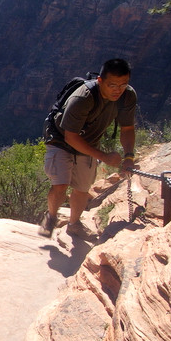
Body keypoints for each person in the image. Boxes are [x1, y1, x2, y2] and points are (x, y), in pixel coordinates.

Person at [38, 58, 137, 241]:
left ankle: (74, 224)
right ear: (100, 81)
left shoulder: (128, 96)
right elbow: (71, 137)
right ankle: (51, 217)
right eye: (112, 85)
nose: (118, 90)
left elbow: (127, 129)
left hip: (90, 143)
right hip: (61, 139)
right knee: (60, 184)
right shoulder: (83, 97)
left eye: (123, 84)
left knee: (82, 188)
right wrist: (104, 157)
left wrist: (129, 156)